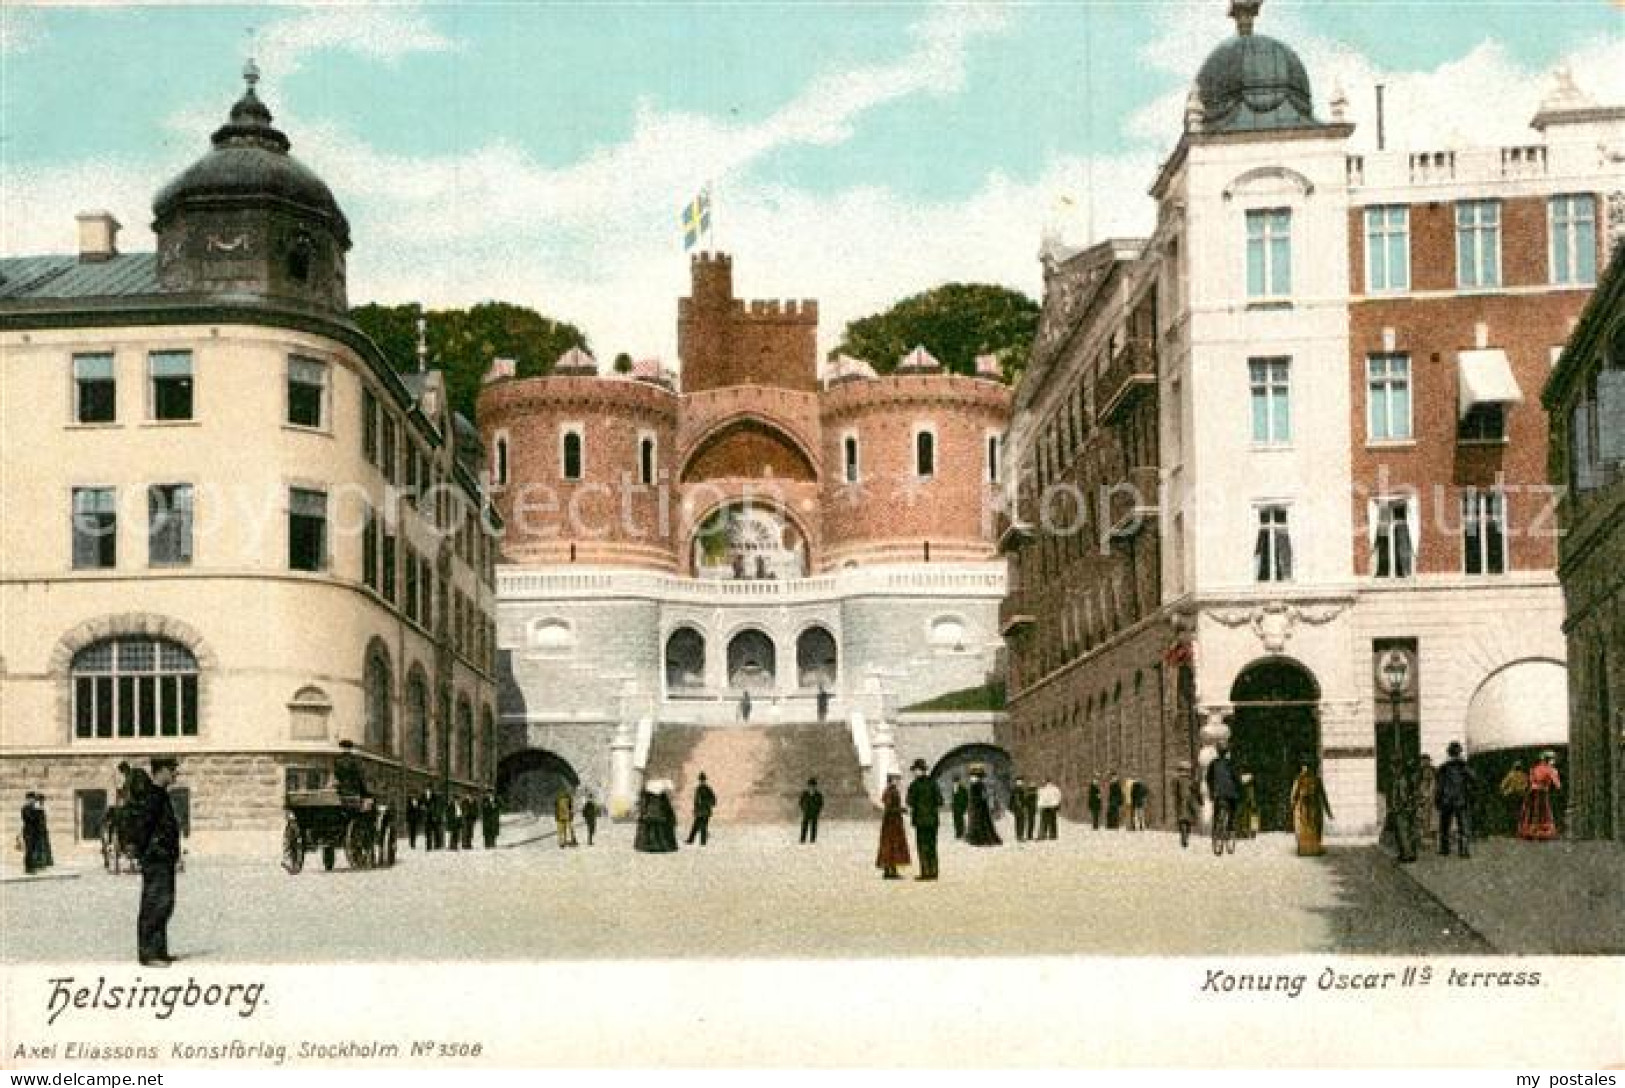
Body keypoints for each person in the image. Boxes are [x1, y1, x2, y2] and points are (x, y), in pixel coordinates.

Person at [131, 757, 182, 966]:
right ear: (161, 771)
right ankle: (149, 954)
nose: (176, 774)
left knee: (164, 904)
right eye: (172, 770)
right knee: (154, 904)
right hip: (156, 858)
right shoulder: (152, 796)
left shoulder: (160, 795)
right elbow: (143, 828)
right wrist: (146, 853)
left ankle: (159, 951)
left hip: (164, 858)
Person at [1435, 741, 1476, 858]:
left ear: (1449, 753)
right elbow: (1474, 778)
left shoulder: (1443, 767)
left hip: (1446, 800)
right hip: (1460, 800)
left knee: (1444, 826)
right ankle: (1463, 851)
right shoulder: (1464, 766)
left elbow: (1439, 786)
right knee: (1463, 826)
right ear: (1459, 753)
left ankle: (1444, 849)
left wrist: (1437, 800)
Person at [905, 759, 943, 880]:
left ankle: (925, 872)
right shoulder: (933, 784)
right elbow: (940, 801)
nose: (914, 773)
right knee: (932, 846)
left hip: (920, 821)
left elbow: (909, 802)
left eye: (915, 770)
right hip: (932, 821)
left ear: (919, 771)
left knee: (922, 846)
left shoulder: (914, 785)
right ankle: (934, 872)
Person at [1289, 762, 1334, 857]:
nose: (1306, 770)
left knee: (1314, 828)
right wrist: (1293, 806)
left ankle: (1314, 849)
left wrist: (1328, 811)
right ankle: (1303, 849)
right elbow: (1294, 794)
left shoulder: (1316, 780)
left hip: (1313, 808)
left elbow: (1323, 795)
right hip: (1303, 809)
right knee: (1302, 829)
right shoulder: (1299, 779)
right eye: (1304, 768)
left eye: (1308, 768)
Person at [1519, 751, 1562, 841]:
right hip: (1542, 792)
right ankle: (1542, 832)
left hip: (1532, 792)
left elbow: (1531, 780)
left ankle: (1529, 831)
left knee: (1531, 812)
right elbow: (1557, 784)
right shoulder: (1551, 770)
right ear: (1549, 760)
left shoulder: (1534, 768)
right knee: (1544, 812)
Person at [875, 772, 911, 880]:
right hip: (892, 822)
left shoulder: (890, 791)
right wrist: (902, 810)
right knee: (891, 845)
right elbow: (889, 808)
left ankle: (890, 870)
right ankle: (890, 870)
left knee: (890, 846)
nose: (898, 781)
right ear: (891, 780)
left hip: (892, 822)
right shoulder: (890, 791)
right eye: (896, 779)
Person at [1205, 744, 1240, 842]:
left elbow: (1208, 779)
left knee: (1216, 811)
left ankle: (1215, 831)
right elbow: (1236, 778)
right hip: (1231, 793)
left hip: (1218, 793)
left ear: (1217, 752)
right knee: (1233, 809)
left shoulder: (1213, 763)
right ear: (1226, 752)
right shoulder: (1231, 763)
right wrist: (1239, 789)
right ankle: (1230, 827)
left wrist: (1211, 791)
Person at [963, 765, 1002, 846]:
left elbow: (981, 797)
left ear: (978, 777)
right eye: (972, 776)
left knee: (980, 823)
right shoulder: (975, 785)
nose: (972, 778)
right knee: (975, 822)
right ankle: (975, 838)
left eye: (974, 776)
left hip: (979, 807)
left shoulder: (978, 785)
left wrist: (976, 802)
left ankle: (979, 840)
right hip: (976, 807)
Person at [634, 784, 678, 853]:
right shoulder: (661, 795)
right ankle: (658, 846)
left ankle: (651, 846)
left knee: (654, 827)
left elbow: (643, 804)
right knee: (655, 827)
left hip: (654, 813)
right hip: (657, 813)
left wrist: (642, 812)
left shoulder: (651, 793)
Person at [1172, 763, 1200, 848]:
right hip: (1190, 802)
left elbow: (1174, 791)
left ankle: (1183, 836)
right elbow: (1196, 791)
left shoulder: (1176, 779)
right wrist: (1200, 800)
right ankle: (1186, 837)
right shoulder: (1191, 780)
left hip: (1180, 802)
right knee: (1189, 821)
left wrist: (1176, 799)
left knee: (1182, 820)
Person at [1500, 760, 1530, 836]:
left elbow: (1502, 785)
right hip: (1520, 795)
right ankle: (1519, 830)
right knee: (1521, 812)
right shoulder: (1524, 775)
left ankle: (1511, 830)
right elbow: (1526, 785)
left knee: (1511, 812)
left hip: (1511, 795)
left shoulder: (1511, 774)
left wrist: (1504, 792)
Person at [687, 772, 716, 846]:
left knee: (703, 826)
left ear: (705, 780)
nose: (701, 781)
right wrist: (695, 809)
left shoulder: (708, 789)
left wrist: (705, 802)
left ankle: (702, 842)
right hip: (699, 811)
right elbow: (696, 801)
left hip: (705, 811)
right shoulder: (698, 789)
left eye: (702, 780)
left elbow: (713, 801)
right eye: (700, 780)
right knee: (695, 826)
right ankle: (690, 840)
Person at [1416, 754, 1439, 840]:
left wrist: (1427, 794)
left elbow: (1432, 783)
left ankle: (1429, 834)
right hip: (1424, 795)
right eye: (1422, 761)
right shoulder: (1422, 770)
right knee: (1423, 815)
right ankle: (1426, 833)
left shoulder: (1430, 770)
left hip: (1429, 796)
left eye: (1424, 761)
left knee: (1428, 815)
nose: (1422, 763)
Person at [20, 792, 43, 874]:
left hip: (35, 832)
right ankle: (28, 868)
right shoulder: (25, 808)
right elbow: (30, 819)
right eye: (32, 799)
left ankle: (32, 866)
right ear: (28, 799)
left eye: (34, 799)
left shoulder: (34, 808)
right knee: (29, 850)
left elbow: (40, 820)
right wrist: (37, 811)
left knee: (33, 850)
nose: (33, 800)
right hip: (28, 832)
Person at [798, 778, 824, 844]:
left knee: (813, 827)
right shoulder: (805, 794)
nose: (811, 787)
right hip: (806, 812)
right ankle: (802, 839)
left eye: (813, 786)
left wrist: (817, 810)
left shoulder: (818, 795)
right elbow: (800, 802)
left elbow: (821, 804)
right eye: (810, 786)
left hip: (814, 813)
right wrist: (803, 809)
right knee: (804, 826)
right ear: (808, 786)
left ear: (815, 786)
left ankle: (812, 840)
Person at [1236, 772, 1258, 839]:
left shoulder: (1246, 783)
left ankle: (1244, 830)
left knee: (1244, 813)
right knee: (1252, 813)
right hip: (1247, 798)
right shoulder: (1250, 784)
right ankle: (1250, 831)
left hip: (1244, 798)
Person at [1010, 775, 1031, 841]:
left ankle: (1018, 836)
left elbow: (1011, 800)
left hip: (1017, 808)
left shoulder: (1014, 790)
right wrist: (1025, 806)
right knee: (1021, 822)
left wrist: (1011, 808)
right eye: (1021, 781)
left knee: (1018, 822)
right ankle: (1020, 836)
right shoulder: (1020, 790)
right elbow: (1021, 800)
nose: (1021, 783)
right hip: (1020, 808)